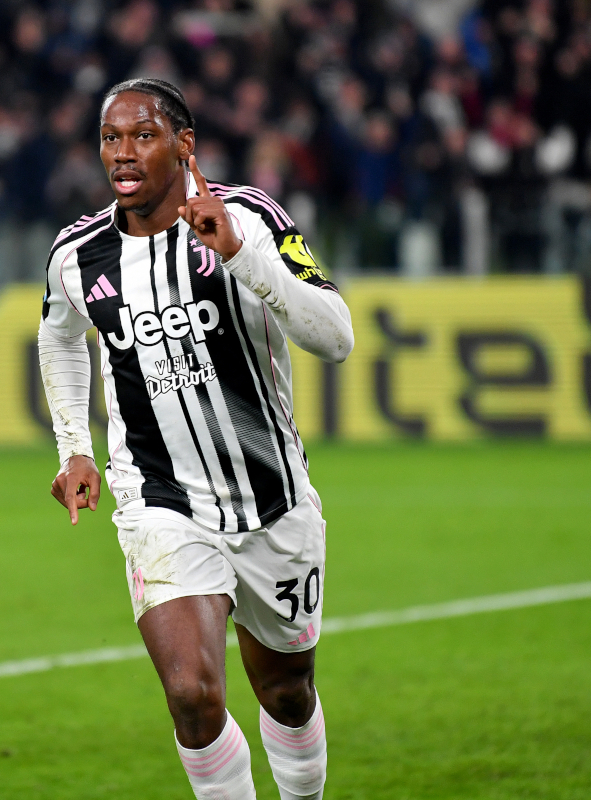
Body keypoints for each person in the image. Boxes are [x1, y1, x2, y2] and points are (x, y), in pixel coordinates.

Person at [38, 79, 354, 800]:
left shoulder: (248, 216)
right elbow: (58, 337)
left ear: (184, 145)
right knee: (192, 693)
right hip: (159, 498)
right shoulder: (76, 255)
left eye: (142, 135)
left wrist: (243, 254)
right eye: (110, 138)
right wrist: (73, 446)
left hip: (271, 497)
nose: (122, 153)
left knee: (286, 692)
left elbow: (336, 339)